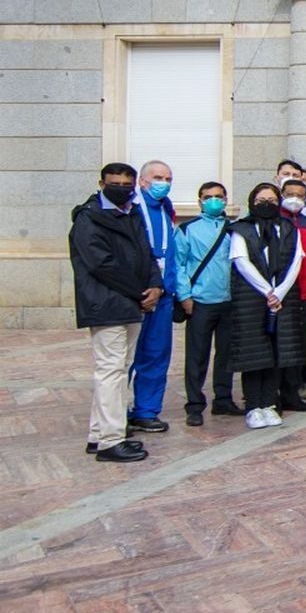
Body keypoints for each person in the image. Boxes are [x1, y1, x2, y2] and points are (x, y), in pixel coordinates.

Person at [72, 163, 164, 462]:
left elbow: (146, 253)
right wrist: (140, 292)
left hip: (131, 304)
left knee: (119, 369)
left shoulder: (132, 213)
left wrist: (155, 285)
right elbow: (101, 264)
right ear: (102, 183)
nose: (122, 189)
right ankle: (112, 441)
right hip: (107, 304)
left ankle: (98, 434)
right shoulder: (89, 219)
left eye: (128, 184)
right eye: (116, 183)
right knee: (110, 371)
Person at [227, 183, 306, 431]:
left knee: (277, 351)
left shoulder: (288, 228)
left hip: (283, 297)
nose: (267, 204)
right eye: (261, 199)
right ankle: (253, 405)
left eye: (272, 199)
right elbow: (241, 261)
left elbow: (296, 260)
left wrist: (280, 291)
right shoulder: (242, 229)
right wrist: (266, 291)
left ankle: (270, 403)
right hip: (252, 297)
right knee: (254, 353)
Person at [176, 182, 239, 426]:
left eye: (219, 197)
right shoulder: (187, 229)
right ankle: (194, 404)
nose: (214, 200)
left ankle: (223, 399)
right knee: (197, 355)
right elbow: (179, 265)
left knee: (226, 354)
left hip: (228, 301)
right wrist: (185, 296)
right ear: (199, 200)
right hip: (200, 301)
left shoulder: (233, 229)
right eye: (208, 197)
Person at [127, 160, 178, 434]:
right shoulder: (132, 208)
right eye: (158, 177)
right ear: (143, 181)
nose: (164, 183)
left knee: (156, 354)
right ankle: (116, 412)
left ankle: (146, 410)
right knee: (127, 357)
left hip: (164, 294)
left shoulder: (166, 207)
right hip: (138, 293)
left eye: (168, 178)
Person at [279, 178, 306, 405]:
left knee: (303, 342)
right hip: (280, 294)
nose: (294, 199)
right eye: (290, 194)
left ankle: (294, 388)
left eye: (299, 195)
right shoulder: (276, 221)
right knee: (280, 341)